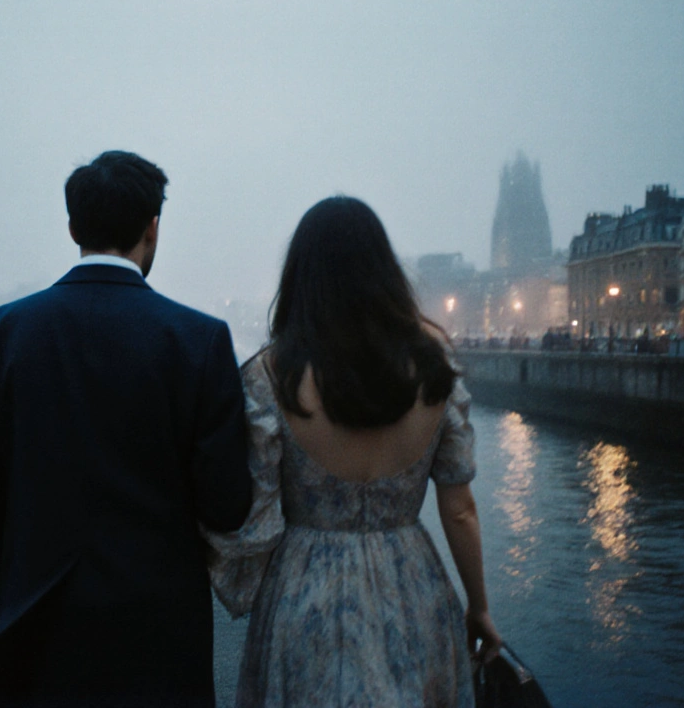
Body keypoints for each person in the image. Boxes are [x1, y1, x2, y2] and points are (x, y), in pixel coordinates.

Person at [0, 150, 253, 707]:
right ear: (152, 229)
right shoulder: (199, 341)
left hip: (35, 623)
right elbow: (226, 504)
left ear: (73, 228)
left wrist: (0, 604)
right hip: (162, 627)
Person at [206, 196, 501, 707]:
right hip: (412, 586)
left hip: (305, 592)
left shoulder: (272, 375)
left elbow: (255, 515)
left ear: (300, 276)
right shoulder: (433, 366)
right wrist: (479, 607)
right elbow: (461, 510)